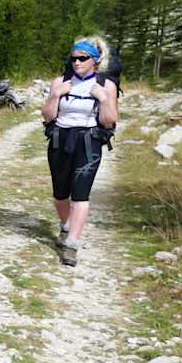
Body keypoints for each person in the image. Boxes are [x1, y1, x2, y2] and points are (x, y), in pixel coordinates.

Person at [41, 36, 119, 267]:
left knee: (81, 194)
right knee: (59, 194)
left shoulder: (107, 85)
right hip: (60, 139)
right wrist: (56, 95)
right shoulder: (61, 81)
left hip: (88, 142)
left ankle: (72, 244)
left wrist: (104, 99)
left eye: (82, 58)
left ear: (94, 61)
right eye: (74, 58)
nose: (76, 63)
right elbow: (47, 116)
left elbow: (109, 121)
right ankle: (66, 226)